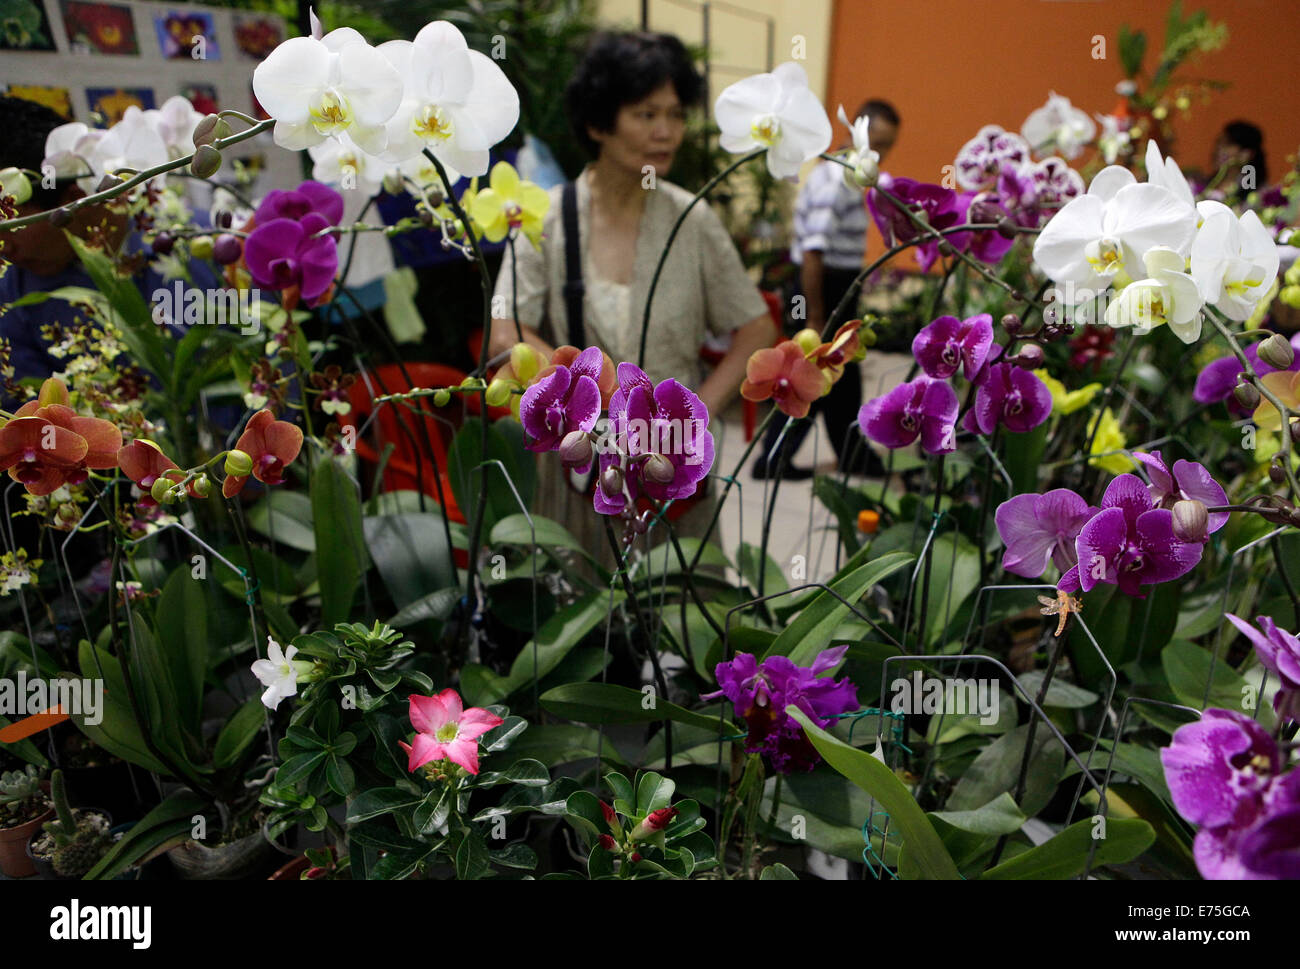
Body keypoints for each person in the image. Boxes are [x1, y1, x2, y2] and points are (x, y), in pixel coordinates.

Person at [489, 31, 773, 570]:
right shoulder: (544, 217)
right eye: (645, 115)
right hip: (580, 469)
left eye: (674, 114)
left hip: (672, 466)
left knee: (683, 619)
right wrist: (591, 401)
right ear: (598, 123)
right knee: (584, 624)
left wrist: (696, 413)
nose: (666, 132)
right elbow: (506, 328)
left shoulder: (692, 221)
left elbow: (756, 329)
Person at [753, 98, 899, 480]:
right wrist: (816, 316)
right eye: (877, 142)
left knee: (833, 376)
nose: (880, 153)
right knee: (814, 372)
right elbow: (814, 252)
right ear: (857, 132)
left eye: (887, 146)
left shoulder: (848, 174)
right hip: (817, 287)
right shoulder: (838, 179)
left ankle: (795, 455)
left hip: (830, 283)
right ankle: (775, 457)